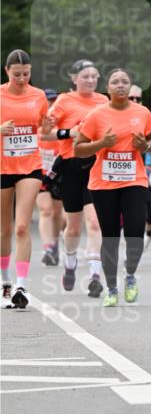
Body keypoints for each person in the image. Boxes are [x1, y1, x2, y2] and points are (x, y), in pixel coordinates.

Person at [74, 68, 151, 306]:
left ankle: (130, 275)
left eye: (125, 81)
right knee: (110, 237)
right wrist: (101, 143)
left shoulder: (143, 113)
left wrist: (144, 146)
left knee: (135, 232)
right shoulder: (96, 115)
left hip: (134, 180)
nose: (120, 85)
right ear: (107, 88)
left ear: (130, 87)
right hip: (103, 183)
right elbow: (78, 149)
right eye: (115, 82)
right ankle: (111, 287)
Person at [48, 59, 107, 297]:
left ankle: (95, 275)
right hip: (71, 167)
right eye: (85, 76)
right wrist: (68, 132)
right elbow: (45, 133)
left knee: (94, 222)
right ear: (74, 79)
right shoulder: (64, 101)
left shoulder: (104, 101)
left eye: (94, 76)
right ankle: (70, 264)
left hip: (95, 166)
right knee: (72, 227)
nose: (91, 81)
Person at [1, 50, 53, 308]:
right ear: (7, 72)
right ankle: (5, 284)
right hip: (2, 166)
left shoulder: (38, 95)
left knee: (22, 226)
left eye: (26, 74)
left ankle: (21, 285)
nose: (22, 79)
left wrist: (47, 127)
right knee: (4, 230)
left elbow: (43, 129)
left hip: (30, 166)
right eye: (17, 74)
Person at [37, 87, 65, 266]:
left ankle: (54, 243)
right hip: (39, 172)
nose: (51, 104)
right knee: (45, 210)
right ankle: (48, 247)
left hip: (59, 172)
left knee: (59, 215)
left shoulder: (62, 125)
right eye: (48, 101)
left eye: (54, 100)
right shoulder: (35, 122)